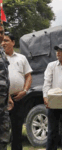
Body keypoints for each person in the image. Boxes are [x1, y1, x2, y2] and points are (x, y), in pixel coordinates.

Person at [2, 32, 32, 150]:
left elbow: (28, 76)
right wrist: (7, 95)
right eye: (2, 41)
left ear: (13, 43)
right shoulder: (0, 58)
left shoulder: (22, 58)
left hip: (18, 98)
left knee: (17, 128)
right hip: (2, 99)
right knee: (2, 129)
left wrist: (24, 91)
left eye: (7, 40)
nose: (4, 43)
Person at [0, 22, 13, 150]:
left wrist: (8, 96)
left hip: (3, 105)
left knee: (4, 138)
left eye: (2, 32)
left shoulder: (2, 52)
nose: (1, 36)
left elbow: (5, 77)